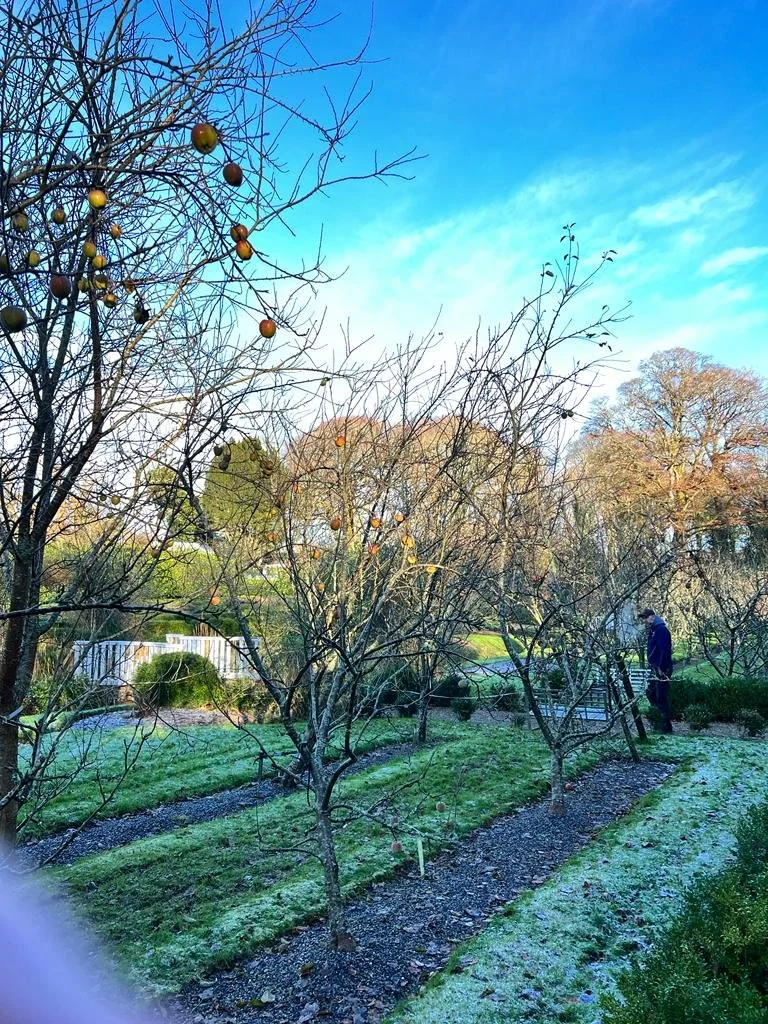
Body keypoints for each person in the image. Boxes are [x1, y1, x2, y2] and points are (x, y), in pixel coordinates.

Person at [638, 607, 673, 733]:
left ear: (652, 617)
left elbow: (664, 650)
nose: (644, 621)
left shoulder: (661, 630)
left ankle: (665, 726)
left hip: (661, 667)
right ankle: (658, 720)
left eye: (645, 618)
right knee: (651, 692)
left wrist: (661, 668)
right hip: (655, 666)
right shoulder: (654, 630)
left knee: (661, 696)